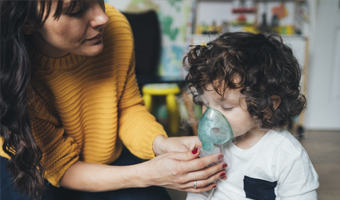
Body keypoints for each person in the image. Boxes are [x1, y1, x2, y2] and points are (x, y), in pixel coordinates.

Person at [0, 1, 228, 199]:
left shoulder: (115, 28)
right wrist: (147, 175)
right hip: (30, 164)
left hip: (105, 155)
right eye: (76, 10)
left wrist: (160, 144)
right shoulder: (12, 70)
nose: (102, 17)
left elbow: (127, 107)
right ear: (28, 21)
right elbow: (63, 167)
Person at [183, 32, 319, 200]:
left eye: (226, 107)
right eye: (206, 103)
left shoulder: (287, 156)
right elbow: (200, 190)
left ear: (266, 106)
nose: (210, 116)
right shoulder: (213, 143)